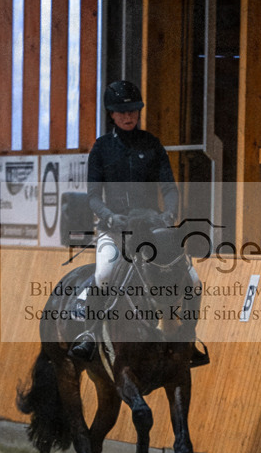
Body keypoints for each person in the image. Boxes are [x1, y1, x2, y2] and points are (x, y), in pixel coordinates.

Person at [69, 79, 209, 366]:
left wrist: (169, 213)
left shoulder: (152, 144)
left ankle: (188, 338)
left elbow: (169, 188)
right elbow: (94, 196)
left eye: (133, 110)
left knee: (193, 281)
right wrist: (109, 216)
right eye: (122, 112)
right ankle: (90, 334)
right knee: (105, 274)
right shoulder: (102, 149)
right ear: (112, 114)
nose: (129, 116)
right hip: (116, 229)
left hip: (154, 229)